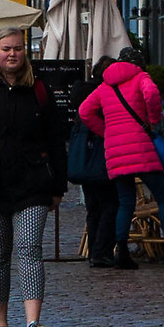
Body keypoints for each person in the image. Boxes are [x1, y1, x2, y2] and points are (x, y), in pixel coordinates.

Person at [0, 29, 67, 327]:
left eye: (18, 49)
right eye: (6, 49)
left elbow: (56, 139)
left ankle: (32, 322)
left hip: (32, 185)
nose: (12, 54)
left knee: (29, 250)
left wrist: (58, 185)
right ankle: (0, 326)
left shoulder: (38, 88)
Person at [77, 57, 164, 269]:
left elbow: (84, 112)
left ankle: (121, 252)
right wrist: (153, 120)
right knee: (163, 197)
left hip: (115, 151)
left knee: (125, 201)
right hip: (140, 147)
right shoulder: (140, 77)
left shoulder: (104, 86)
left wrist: (105, 131)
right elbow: (152, 94)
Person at [65, 66, 121, 268]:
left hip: (86, 163)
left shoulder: (83, 92)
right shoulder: (104, 94)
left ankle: (95, 252)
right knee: (109, 205)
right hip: (102, 159)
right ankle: (101, 251)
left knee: (94, 208)